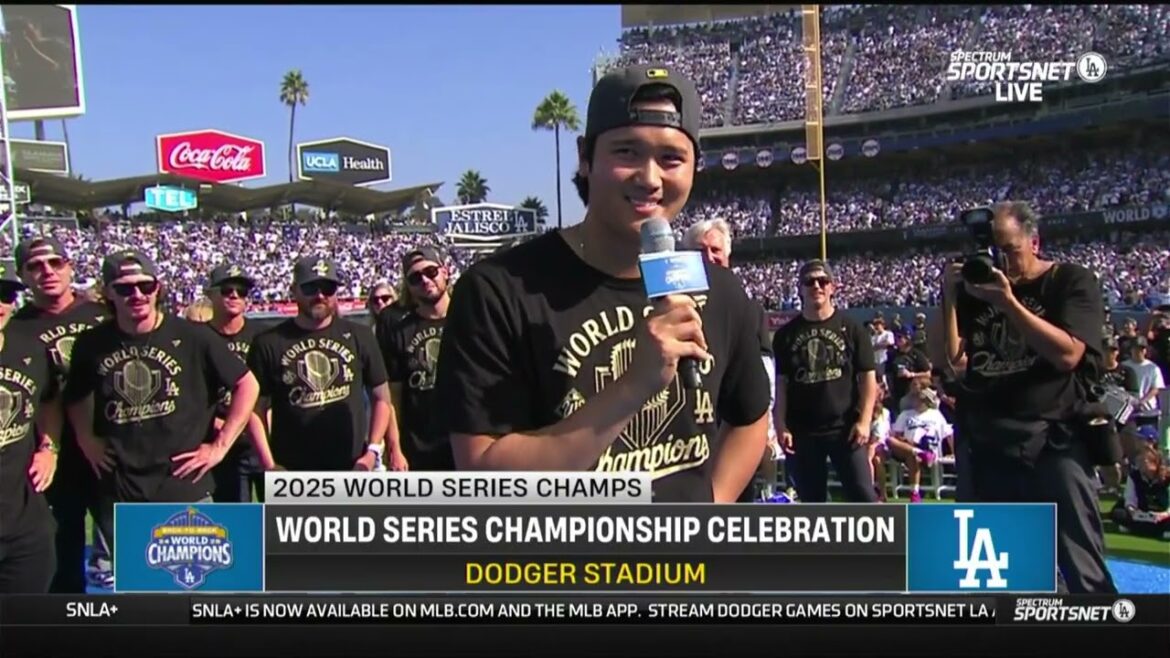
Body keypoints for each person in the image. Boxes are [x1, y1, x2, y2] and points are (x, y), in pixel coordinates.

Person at [432, 63, 770, 502]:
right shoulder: (498, 291)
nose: (650, 179)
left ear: (694, 168)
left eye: (671, 158)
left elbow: (750, 416)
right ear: (585, 157)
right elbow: (483, 475)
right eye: (626, 152)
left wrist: (715, 501)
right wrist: (633, 385)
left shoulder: (716, 287)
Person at [943, 200, 1116, 593]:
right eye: (994, 252)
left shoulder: (1069, 280)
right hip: (990, 442)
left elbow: (1069, 353)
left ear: (1033, 241)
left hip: (1053, 439)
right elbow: (952, 362)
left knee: (1080, 564)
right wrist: (949, 299)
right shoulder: (977, 290)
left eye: (1009, 250)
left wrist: (1009, 303)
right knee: (1003, 570)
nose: (1001, 264)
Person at [63, 250, 259, 581]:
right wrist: (86, 439)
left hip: (184, 485)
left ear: (158, 287)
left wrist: (220, 446)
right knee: (142, 595)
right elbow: (76, 396)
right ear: (109, 291)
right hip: (121, 489)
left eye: (145, 285)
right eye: (125, 288)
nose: (137, 295)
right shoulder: (91, 343)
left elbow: (247, 385)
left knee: (198, 590)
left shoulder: (194, 337)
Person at [8, 237, 110, 592]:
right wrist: (48, 448)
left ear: (70, 267)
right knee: (61, 560)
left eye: (56, 262)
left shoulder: (104, 314)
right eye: (35, 265)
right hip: (53, 461)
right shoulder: (15, 328)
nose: (47, 271)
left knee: (140, 552)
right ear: (22, 275)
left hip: (112, 453)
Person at [248, 256, 392, 472]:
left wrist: (372, 452)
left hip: (351, 465)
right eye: (310, 288)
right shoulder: (268, 342)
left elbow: (382, 397)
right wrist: (269, 464)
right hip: (292, 469)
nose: (320, 295)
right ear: (294, 290)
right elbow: (255, 410)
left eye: (328, 288)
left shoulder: (359, 336)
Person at [682, 218, 779, 501]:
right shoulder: (666, 302)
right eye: (700, 251)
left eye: (715, 250)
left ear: (727, 257)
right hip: (682, 437)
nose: (708, 258)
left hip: (731, 434)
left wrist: (765, 429)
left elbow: (763, 375)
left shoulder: (747, 308)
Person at [773, 260, 879, 503]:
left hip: (846, 428)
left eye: (823, 281)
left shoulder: (852, 329)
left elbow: (867, 378)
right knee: (812, 502)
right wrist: (781, 425)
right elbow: (781, 384)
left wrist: (864, 421)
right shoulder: (786, 335)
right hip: (804, 430)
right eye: (809, 281)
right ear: (799, 288)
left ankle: (877, 542)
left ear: (833, 287)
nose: (817, 286)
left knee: (863, 495)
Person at [0, 262, 63, 593]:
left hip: (25, 524)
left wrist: (49, 447)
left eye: (6, 295)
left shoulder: (29, 348)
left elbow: (50, 400)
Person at [201, 265, 275, 502]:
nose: (234, 295)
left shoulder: (264, 337)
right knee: (233, 527)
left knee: (280, 522)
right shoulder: (197, 339)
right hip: (222, 445)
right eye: (226, 289)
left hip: (265, 442)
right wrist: (226, 425)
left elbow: (273, 392)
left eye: (241, 291)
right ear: (210, 294)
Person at [375, 246, 451, 471]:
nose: (425, 280)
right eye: (415, 278)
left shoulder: (470, 317)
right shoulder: (399, 329)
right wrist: (394, 448)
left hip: (467, 439)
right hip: (419, 446)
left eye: (430, 272)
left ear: (445, 271)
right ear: (408, 286)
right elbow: (392, 397)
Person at [888, 387, 954, 502]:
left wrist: (952, 452)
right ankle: (919, 453)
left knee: (913, 456)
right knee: (890, 440)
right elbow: (896, 435)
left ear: (925, 401)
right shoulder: (906, 414)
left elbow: (948, 434)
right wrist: (906, 441)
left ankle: (914, 493)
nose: (914, 401)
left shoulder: (936, 415)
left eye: (918, 399)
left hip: (928, 448)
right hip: (906, 447)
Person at [1109, 442, 1170, 540]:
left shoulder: (1167, 477)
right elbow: (1129, 498)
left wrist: (1163, 515)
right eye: (1138, 461)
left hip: (1163, 514)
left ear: (1154, 463)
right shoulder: (1134, 476)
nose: (1139, 464)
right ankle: (1153, 530)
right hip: (1143, 512)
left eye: (1143, 461)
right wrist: (1133, 511)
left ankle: (1141, 528)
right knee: (1118, 513)